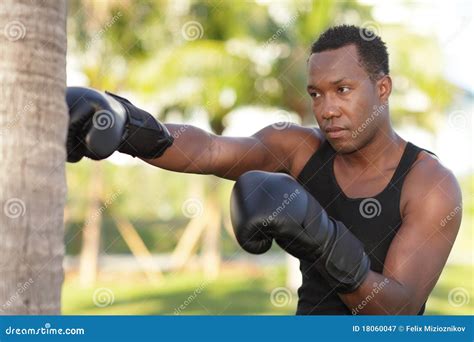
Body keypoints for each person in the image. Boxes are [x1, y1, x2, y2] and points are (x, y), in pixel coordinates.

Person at [66, 25, 462, 315]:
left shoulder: (430, 184)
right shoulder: (300, 148)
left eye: (342, 90)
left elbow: (398, 310)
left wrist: (323, 241)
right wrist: (126, 126)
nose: (326, 109)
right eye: (315, 94)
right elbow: (208, 149)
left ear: (383, 89)